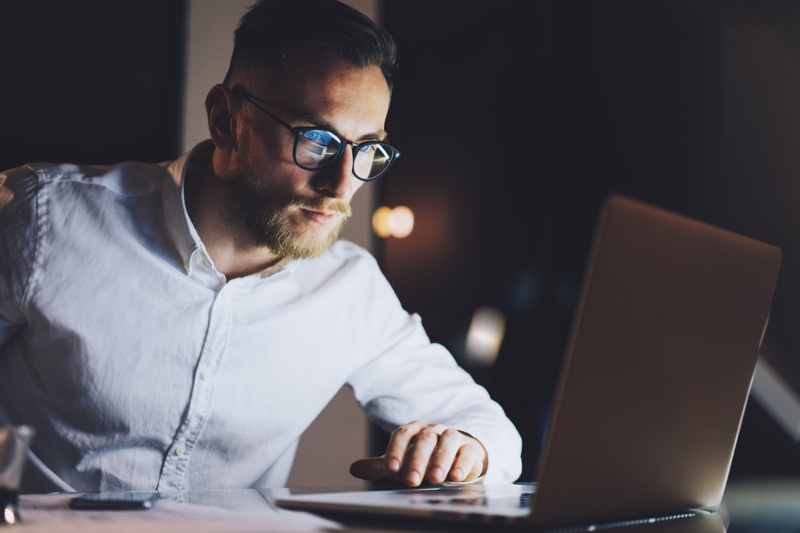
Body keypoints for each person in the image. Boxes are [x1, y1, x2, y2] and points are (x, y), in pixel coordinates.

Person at [0, 0, 522, 492]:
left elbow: (492, 434)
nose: (342, 187)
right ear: (227, 120)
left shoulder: (350, 288)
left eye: (369, 149)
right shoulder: (42, 216)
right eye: (317, 140)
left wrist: (463, 448)